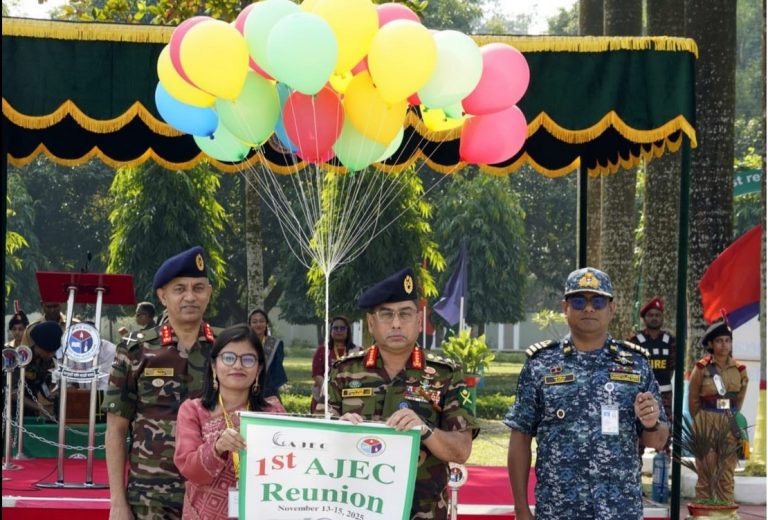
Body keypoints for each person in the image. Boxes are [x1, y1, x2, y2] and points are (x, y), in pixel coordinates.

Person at [505, 267, 669, 520]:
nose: (589, 308)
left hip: (619, 511)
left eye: (598, 301)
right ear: (565, 307)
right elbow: (520, 437)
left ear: (611, 308)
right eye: (579, 301)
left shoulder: (636, 365)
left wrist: (650, 423)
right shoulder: (540, 364)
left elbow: (657, 441)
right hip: (558, 510)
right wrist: (520, 508)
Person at [327, 267, 478, 520]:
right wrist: (336, 429)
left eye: (405, 314)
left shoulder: (446, 374)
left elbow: (461, 450)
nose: (396, 323)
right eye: (386, 315)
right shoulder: (343, 372)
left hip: (422, 513)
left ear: (419, 321)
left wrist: (425, 430)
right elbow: (313, 437)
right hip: (353, 508)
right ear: (371, 323)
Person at [103, 246, 217, 520]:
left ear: (209, 293)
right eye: (179, 289)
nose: (190, 297)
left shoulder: (228, 349)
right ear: (162, 296)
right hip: (150, 498)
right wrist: (117, 502)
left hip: (215, 495)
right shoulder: (135, 350)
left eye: (198, 288)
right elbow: (116, 430)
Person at [174, 324, 285, 520]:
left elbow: (299, 462)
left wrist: (341, 430)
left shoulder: (273, 412)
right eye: (228, 357)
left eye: (248, 359)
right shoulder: (193, 411)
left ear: (259, 369)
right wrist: (217, 447)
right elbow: (191, 471)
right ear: (214, 366)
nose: (237, 365)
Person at [688, 319, 748, 503]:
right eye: (719, 341)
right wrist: (699, 419)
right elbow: (693, 398)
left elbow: (739, 399)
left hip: (728, 422)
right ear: (711, 344)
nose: (724, 345)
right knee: (706, 472)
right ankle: (703, 513)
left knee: (726, 474)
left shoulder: (740, 370)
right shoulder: (701, 368)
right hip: (706, 419)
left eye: (727, 340)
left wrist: (730, 416)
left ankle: (725, 511)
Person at [628, 296, 676, 454]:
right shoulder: (635, 341)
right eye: (650, 315)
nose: (654, 318)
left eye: (657, 315)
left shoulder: (671, 341)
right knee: (638, 435)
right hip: (640, 395)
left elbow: (674, 366)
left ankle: (662, 472)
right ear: (644, 318)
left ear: (662, 318)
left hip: (665, 395)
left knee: (664, 434)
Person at [310, 315, 360, 414]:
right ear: (331, 331)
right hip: (323, 397)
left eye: (342, 328)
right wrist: (328, 389)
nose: (339, 331)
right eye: (335, 328)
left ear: (348, 331)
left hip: (352, 397)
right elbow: (316, 374)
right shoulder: (322, 350)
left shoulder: (358, 351)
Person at [22, 320, 63, 418]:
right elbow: (12, 392)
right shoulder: (22, 358)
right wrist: (40, 408)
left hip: (31, 411)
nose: (51, 355)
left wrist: (52, 397)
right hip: (13, 409)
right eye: (48, 352)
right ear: (38, 346)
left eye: (53, 352)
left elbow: (43, 384)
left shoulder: (49, 360)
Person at [247, 309, 287, 400]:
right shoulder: (244, 343)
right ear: (249, 324)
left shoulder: (275, 344)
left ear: (266, 324)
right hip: (246, 390)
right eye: (254, 322)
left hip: (268, 391)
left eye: (261, 321)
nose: (258, 324)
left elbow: (276, 370)